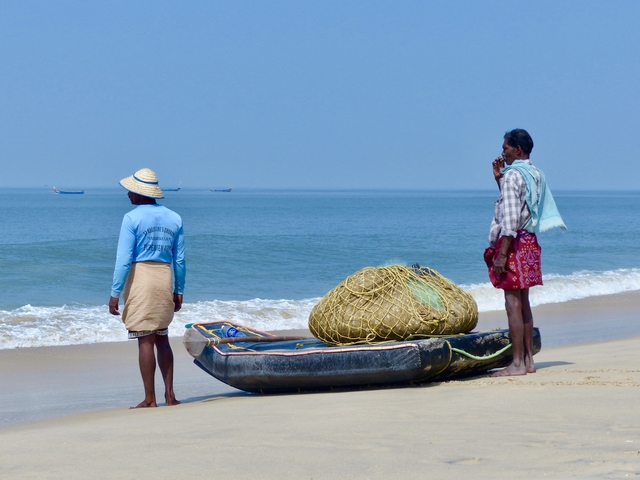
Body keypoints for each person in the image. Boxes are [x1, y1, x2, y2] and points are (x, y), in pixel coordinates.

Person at [485, 129, 565, 376]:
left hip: (513, 243)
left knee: (512, 303)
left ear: (517, 149)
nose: (502, 151)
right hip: (529, 241)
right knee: (524, 302)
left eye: (506, 147)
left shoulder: (512, 176)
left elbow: (510, 219)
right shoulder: (536, 174)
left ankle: (517, 363)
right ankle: (529, 361)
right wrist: (499, 178)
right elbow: (523, 205)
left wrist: (500, 255)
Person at [109, 168, 186, 407]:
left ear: (141, 193)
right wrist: (179, 289)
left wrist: (115, 293)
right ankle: (170, 396)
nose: (128, 195)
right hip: (164, 276)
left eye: (131, 190)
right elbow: (180, 259)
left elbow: (123, 259)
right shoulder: (175, 218)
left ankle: (150, 399)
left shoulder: (131, 218)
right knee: (162, 336)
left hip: (141, 276)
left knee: (145, 339)